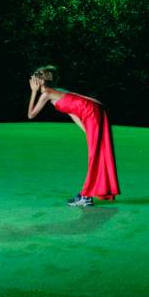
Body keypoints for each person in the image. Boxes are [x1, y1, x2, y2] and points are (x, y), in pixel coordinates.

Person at [27, 65, 121, 207]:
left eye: (33, 80)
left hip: (92, 113)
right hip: (94, 111)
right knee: (97, 153)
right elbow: (73, 111)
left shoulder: (47, 93)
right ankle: (89, 193)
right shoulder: (58, 91)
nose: (31, 82)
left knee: (94, 156)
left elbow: (31, 115)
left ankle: (86, 196)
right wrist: (87, 131)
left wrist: (34, 92)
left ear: (39, 82)